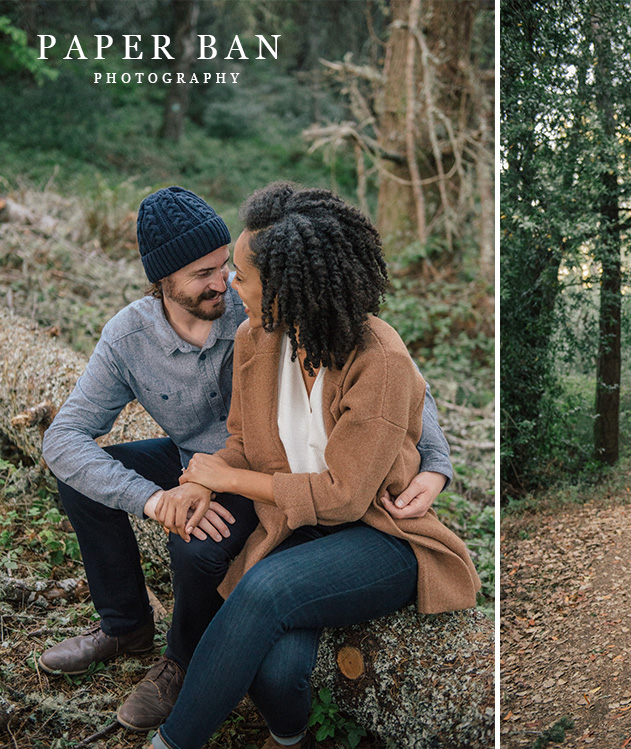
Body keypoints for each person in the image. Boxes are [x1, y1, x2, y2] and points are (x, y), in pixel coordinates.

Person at [39, 186, 455, 732]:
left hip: (269, 472)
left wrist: (435, 462)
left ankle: (183, 664)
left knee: (201, 548)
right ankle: (125, 626)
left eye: (225, 267)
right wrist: (156, 497)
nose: (223, 283)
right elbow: (65, 437)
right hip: (216, 460)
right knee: (85, 482)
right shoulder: (135, 336)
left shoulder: (272, 298)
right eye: (203, 274)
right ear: (162, 281)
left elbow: (391, 383)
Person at [142, 181, 480, 749]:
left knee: (265, 590)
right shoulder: (257, 339)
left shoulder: (381, 359)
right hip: (296, 526)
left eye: (241, 277)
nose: (229, 284)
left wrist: (225, 478)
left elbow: (347, 495)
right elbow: (242, 442)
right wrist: (204, 480)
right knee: (278, 675)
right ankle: (289, 736)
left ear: (285, 287)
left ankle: (172, 743)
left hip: (380, 533)